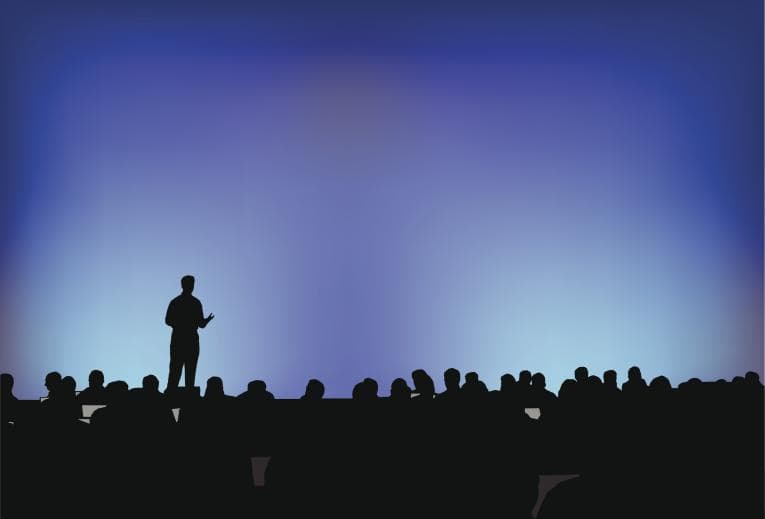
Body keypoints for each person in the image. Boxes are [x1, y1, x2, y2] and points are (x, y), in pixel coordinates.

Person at [165, 275, 214, 390]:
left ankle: (189, 392)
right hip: (179, 339)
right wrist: (183, 323)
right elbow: (168, 320)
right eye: (189, 284)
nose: (191, 286)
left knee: (190, 368)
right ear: (183, 285)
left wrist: (206, 321)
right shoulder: (176, 302)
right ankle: (171, 392)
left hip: (191, 340)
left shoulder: (195, 303)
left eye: (192, 284)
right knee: (175, 368)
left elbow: (201, 324)